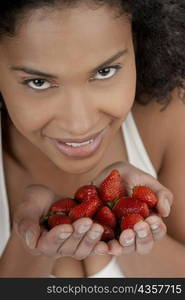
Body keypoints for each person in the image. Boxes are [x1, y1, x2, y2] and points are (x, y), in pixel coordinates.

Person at [0, 0, 184, 278]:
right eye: (38, 82)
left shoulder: (168, 119)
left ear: (138, 43)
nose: (79, 125)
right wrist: (30, 245)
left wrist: (129, 230)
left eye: (104, 71)